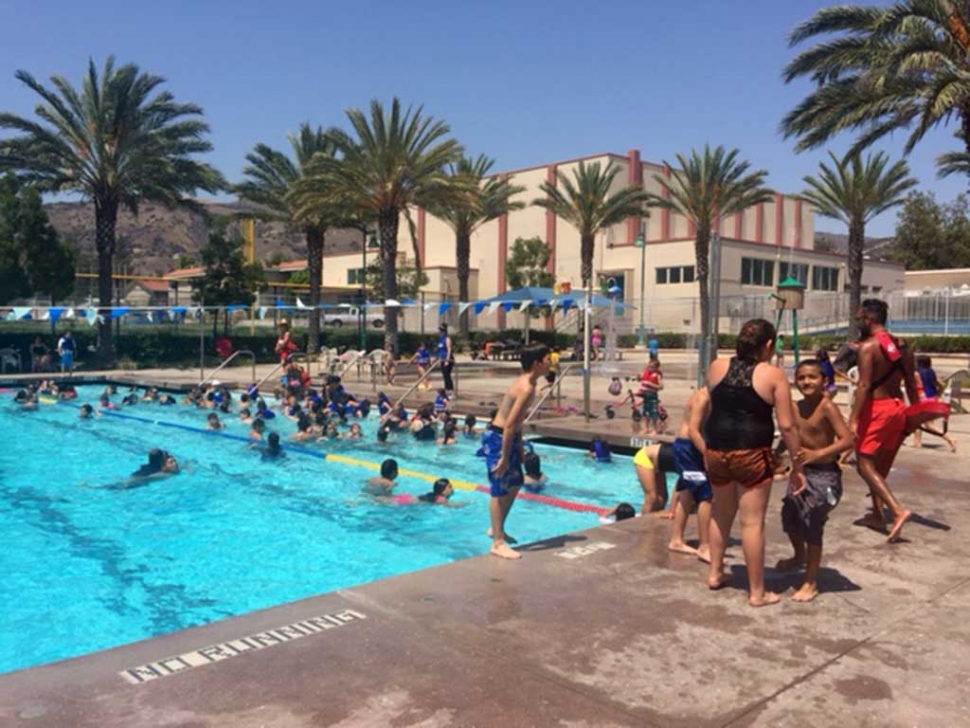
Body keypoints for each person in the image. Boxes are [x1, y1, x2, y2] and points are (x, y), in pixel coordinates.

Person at [699, 318, 804, 608]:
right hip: (751, 454)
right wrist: (798, 464)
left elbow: (717, 405)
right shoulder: (773, 375)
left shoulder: (717, 366)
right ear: (768, 345)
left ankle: (715, 573)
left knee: (721, 514)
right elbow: (788, 426)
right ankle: (757, 592)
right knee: (752, 523)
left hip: (716, 451)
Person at [775, 359, 854, 602]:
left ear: (825, 382)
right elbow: (790, 433)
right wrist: (776, 453)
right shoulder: (795, 407)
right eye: (801, 378)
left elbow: (848, 440)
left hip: (825, 475)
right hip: (801, 475)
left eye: (812, 377)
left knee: (812, 521)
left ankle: (811, 581)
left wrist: (817, 454)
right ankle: (799, 555)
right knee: (789, 515)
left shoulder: (827, 407)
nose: (806, 382)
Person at [849, 299, 916, 542]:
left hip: (876, 409)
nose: (858, 323)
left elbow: (865, 384)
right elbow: (910, 382)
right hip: (898, 408)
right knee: (877, 468)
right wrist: (916, 414)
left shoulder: (868, 347)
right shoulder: (904, 346)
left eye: (860, 319)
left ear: (869, 319)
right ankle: (877, 515)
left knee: (864, 464)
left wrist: (854, 419)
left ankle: (897, 511)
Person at [481, 344, 551, 559]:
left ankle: (497, 528)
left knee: (517, 481)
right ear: (537, 363)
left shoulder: (530, 383)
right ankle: (497, 542)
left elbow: (517, 423)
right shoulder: (526, 387)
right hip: (498, 438)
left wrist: (519, 448)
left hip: (508, 438)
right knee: (499, 487)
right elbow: (510, 424)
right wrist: (504, 456)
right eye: (548, 359)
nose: (551, 363)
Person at [912, 355, 957, 452]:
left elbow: (914, 384)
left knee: (929, 425)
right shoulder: (931, 372)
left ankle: (950, 439)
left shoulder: (917, 373)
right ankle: (917, 442)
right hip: (933, 398)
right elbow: (941, 384)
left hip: (924, 399)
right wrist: (938, 393)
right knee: (917, 421)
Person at [636, 357, 664, 435]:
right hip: (645, 395)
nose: (649, 368)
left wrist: (651, 384)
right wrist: (638, 377)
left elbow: (661, 387)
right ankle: (645, 429)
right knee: (645, 413)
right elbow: (640, 379)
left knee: (653, 413)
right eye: (648, 366)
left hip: (652, 396)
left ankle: (655, 429)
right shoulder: (646, 372)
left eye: (651, 367)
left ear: (656, 368)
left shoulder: (657, 375)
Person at [437, 324, 455, 396]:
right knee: (444, 375)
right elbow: (440, 350)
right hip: (442, 358)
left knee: (447, 375)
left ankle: (451, 391)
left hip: (447, 359)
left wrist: (447, 360)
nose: (439, 332)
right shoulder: (440, 339)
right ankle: (446, 390)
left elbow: (449, 349)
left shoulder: (447, 338)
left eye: (441, 330)